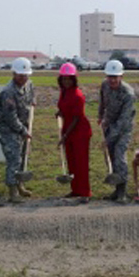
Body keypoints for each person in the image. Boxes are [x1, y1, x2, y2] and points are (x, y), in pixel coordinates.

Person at [0, 57, 36, 203]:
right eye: (20, 76)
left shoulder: (29, 84)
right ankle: (12, 191)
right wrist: (23, 131)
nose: (23, 79)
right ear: (13, 74)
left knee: (23, 156)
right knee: (14, 158)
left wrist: (33, 102)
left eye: (25, 75)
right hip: (9, 128)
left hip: (24, 125)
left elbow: (32, 96)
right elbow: (10, 118)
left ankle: (20, 185)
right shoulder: (8, 92)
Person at [98, 60, 136, 203]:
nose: (112, 80)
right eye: (110, 77)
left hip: (123, 128)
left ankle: (122, 191)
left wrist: (110, 137)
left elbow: (124, 120)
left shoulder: (128, 94)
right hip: (109, 124)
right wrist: (100, 116)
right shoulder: (104, 85)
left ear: (121, 77)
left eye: (115, 77)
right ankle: (116, 189)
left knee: (119, 156)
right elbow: (102, 101)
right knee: (110, 157)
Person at [56, 62, 93, 202]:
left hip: (80, 132)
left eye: (69, 79)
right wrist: (60, 112)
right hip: (68, 130)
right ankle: (75, 190)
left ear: (74, 79)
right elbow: (64, 108)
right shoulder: (63, 92)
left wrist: (65, 135)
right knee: (71, 161)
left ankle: (85, 192)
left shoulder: (78, 95)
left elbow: (77, 118)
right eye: (64, 79)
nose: (66, 81)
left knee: (81, 163)